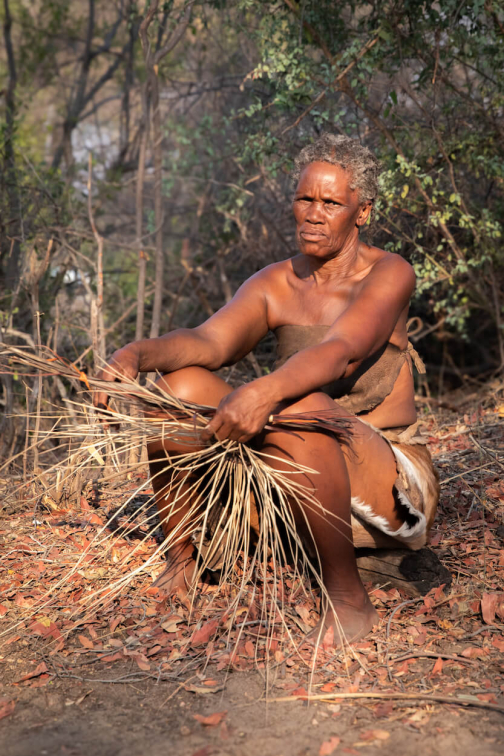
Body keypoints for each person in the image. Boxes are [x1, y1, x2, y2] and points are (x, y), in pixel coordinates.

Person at [95, 133, 439, 644]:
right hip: (292, 466)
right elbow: (210, 341)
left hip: (385, 481)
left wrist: (264, 392)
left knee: (300, 402)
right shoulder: (276, 282)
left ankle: (347, 598)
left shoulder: (389, 273)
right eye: (305, 199)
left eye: (331, 203)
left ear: (362, 212)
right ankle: (181, 558)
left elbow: (342, 349)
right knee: (180, 386)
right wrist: (136, 356)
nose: (313, 214)